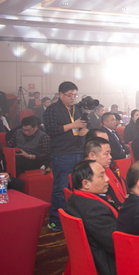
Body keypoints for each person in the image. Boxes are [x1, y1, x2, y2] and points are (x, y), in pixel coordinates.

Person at [65, 159, 119, 275]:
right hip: (110, 266)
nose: (107, 179)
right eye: (101, 176)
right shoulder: (94, 209)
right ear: (86, 184)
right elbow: (116, 244)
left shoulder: (75, 198)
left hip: (95, 256)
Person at [43, 81, 88, 232]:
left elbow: (85, 125)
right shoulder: (52, 109)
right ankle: (56, 220)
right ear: (60, 94)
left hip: (79, 151)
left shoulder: (78, 109)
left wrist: (84, 130)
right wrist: (73, 125)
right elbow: (51, 130)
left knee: (78, 187)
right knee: (61, 188)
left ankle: (74, 217)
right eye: (70, 95)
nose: (73, 98)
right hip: (63, 153)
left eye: (75, 95)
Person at [84, 137, 128, 209]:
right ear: (92, 156)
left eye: (110, 154)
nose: (110, 157)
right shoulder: (89, 176)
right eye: (106, 154)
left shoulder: (107, 168)